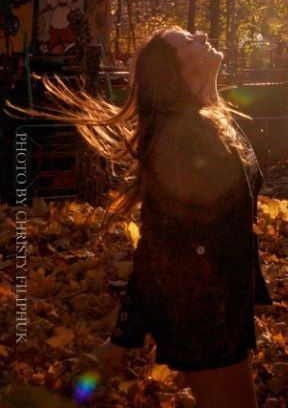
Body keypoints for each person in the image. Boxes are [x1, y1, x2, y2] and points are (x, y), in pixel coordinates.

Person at [38, 27, 271, 408]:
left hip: (221, 304)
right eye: (188, 40)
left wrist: (208, 79)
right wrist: (125, 333)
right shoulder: (182, 138)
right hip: (201, 312)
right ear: (176, 70)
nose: (201, 35)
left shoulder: (204, 118)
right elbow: (161, 241)